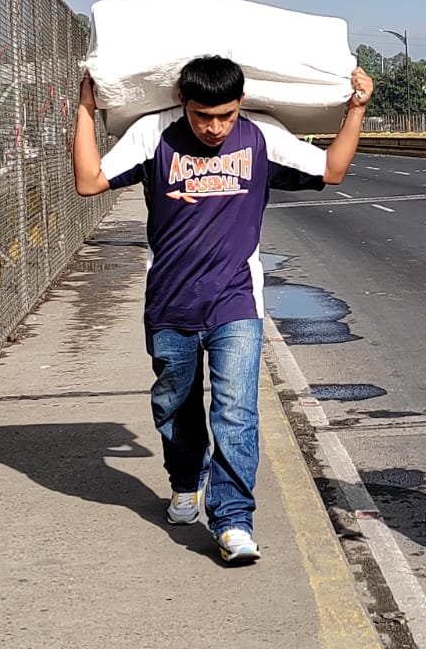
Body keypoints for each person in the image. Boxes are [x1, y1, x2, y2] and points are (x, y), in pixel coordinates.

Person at [72, 55, 373, 563]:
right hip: (170, 303)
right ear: (183, 104)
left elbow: (333, 170)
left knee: (236, 412)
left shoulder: (259, 136)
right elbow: (89, 181)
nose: (214, 128)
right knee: (175, 405)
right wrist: (84, 109)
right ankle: (186, 481)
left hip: (237, 301)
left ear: (240, 106)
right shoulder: (155, 135)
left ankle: (234, 521)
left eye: (225, 116)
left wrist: (357, 109)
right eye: (202, 116)